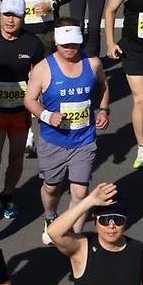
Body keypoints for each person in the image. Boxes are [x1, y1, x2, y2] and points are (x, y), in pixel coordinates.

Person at [24, 19, 110, 245]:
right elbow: (29, 100)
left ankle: (73, 237)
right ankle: (50, 217)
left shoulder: (92, 64)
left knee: (80, 193)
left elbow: (102, 86)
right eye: (65, 45)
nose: (70, 48)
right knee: (52, 187)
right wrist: (47, 116)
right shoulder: (43, 68)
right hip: (54, 141)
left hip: (84, 139)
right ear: (56, 43)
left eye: (74, 44)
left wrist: (102, 110)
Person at [0, 0, 44, 219]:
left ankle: (7, 195)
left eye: (16, 16)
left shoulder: (33, 44)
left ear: (23, 18)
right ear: (0, 14)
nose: (10, 20)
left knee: (17, 157)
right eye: (7, 14)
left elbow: (39, 75)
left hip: (20, 111)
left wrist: (38, 103)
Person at [49, 182, 143, 285]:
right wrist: (89, 201)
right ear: (95, 221)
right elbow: (54, 232)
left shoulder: (138, 249)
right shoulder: (83, 247)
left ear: (126, 220)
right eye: (105, 219)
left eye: (118, 219)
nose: (111, 225)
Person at [104, 0, 143, 168]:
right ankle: (142, 149)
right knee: (141, 99)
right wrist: (110, 43)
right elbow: (110, 10)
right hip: (135, 50)